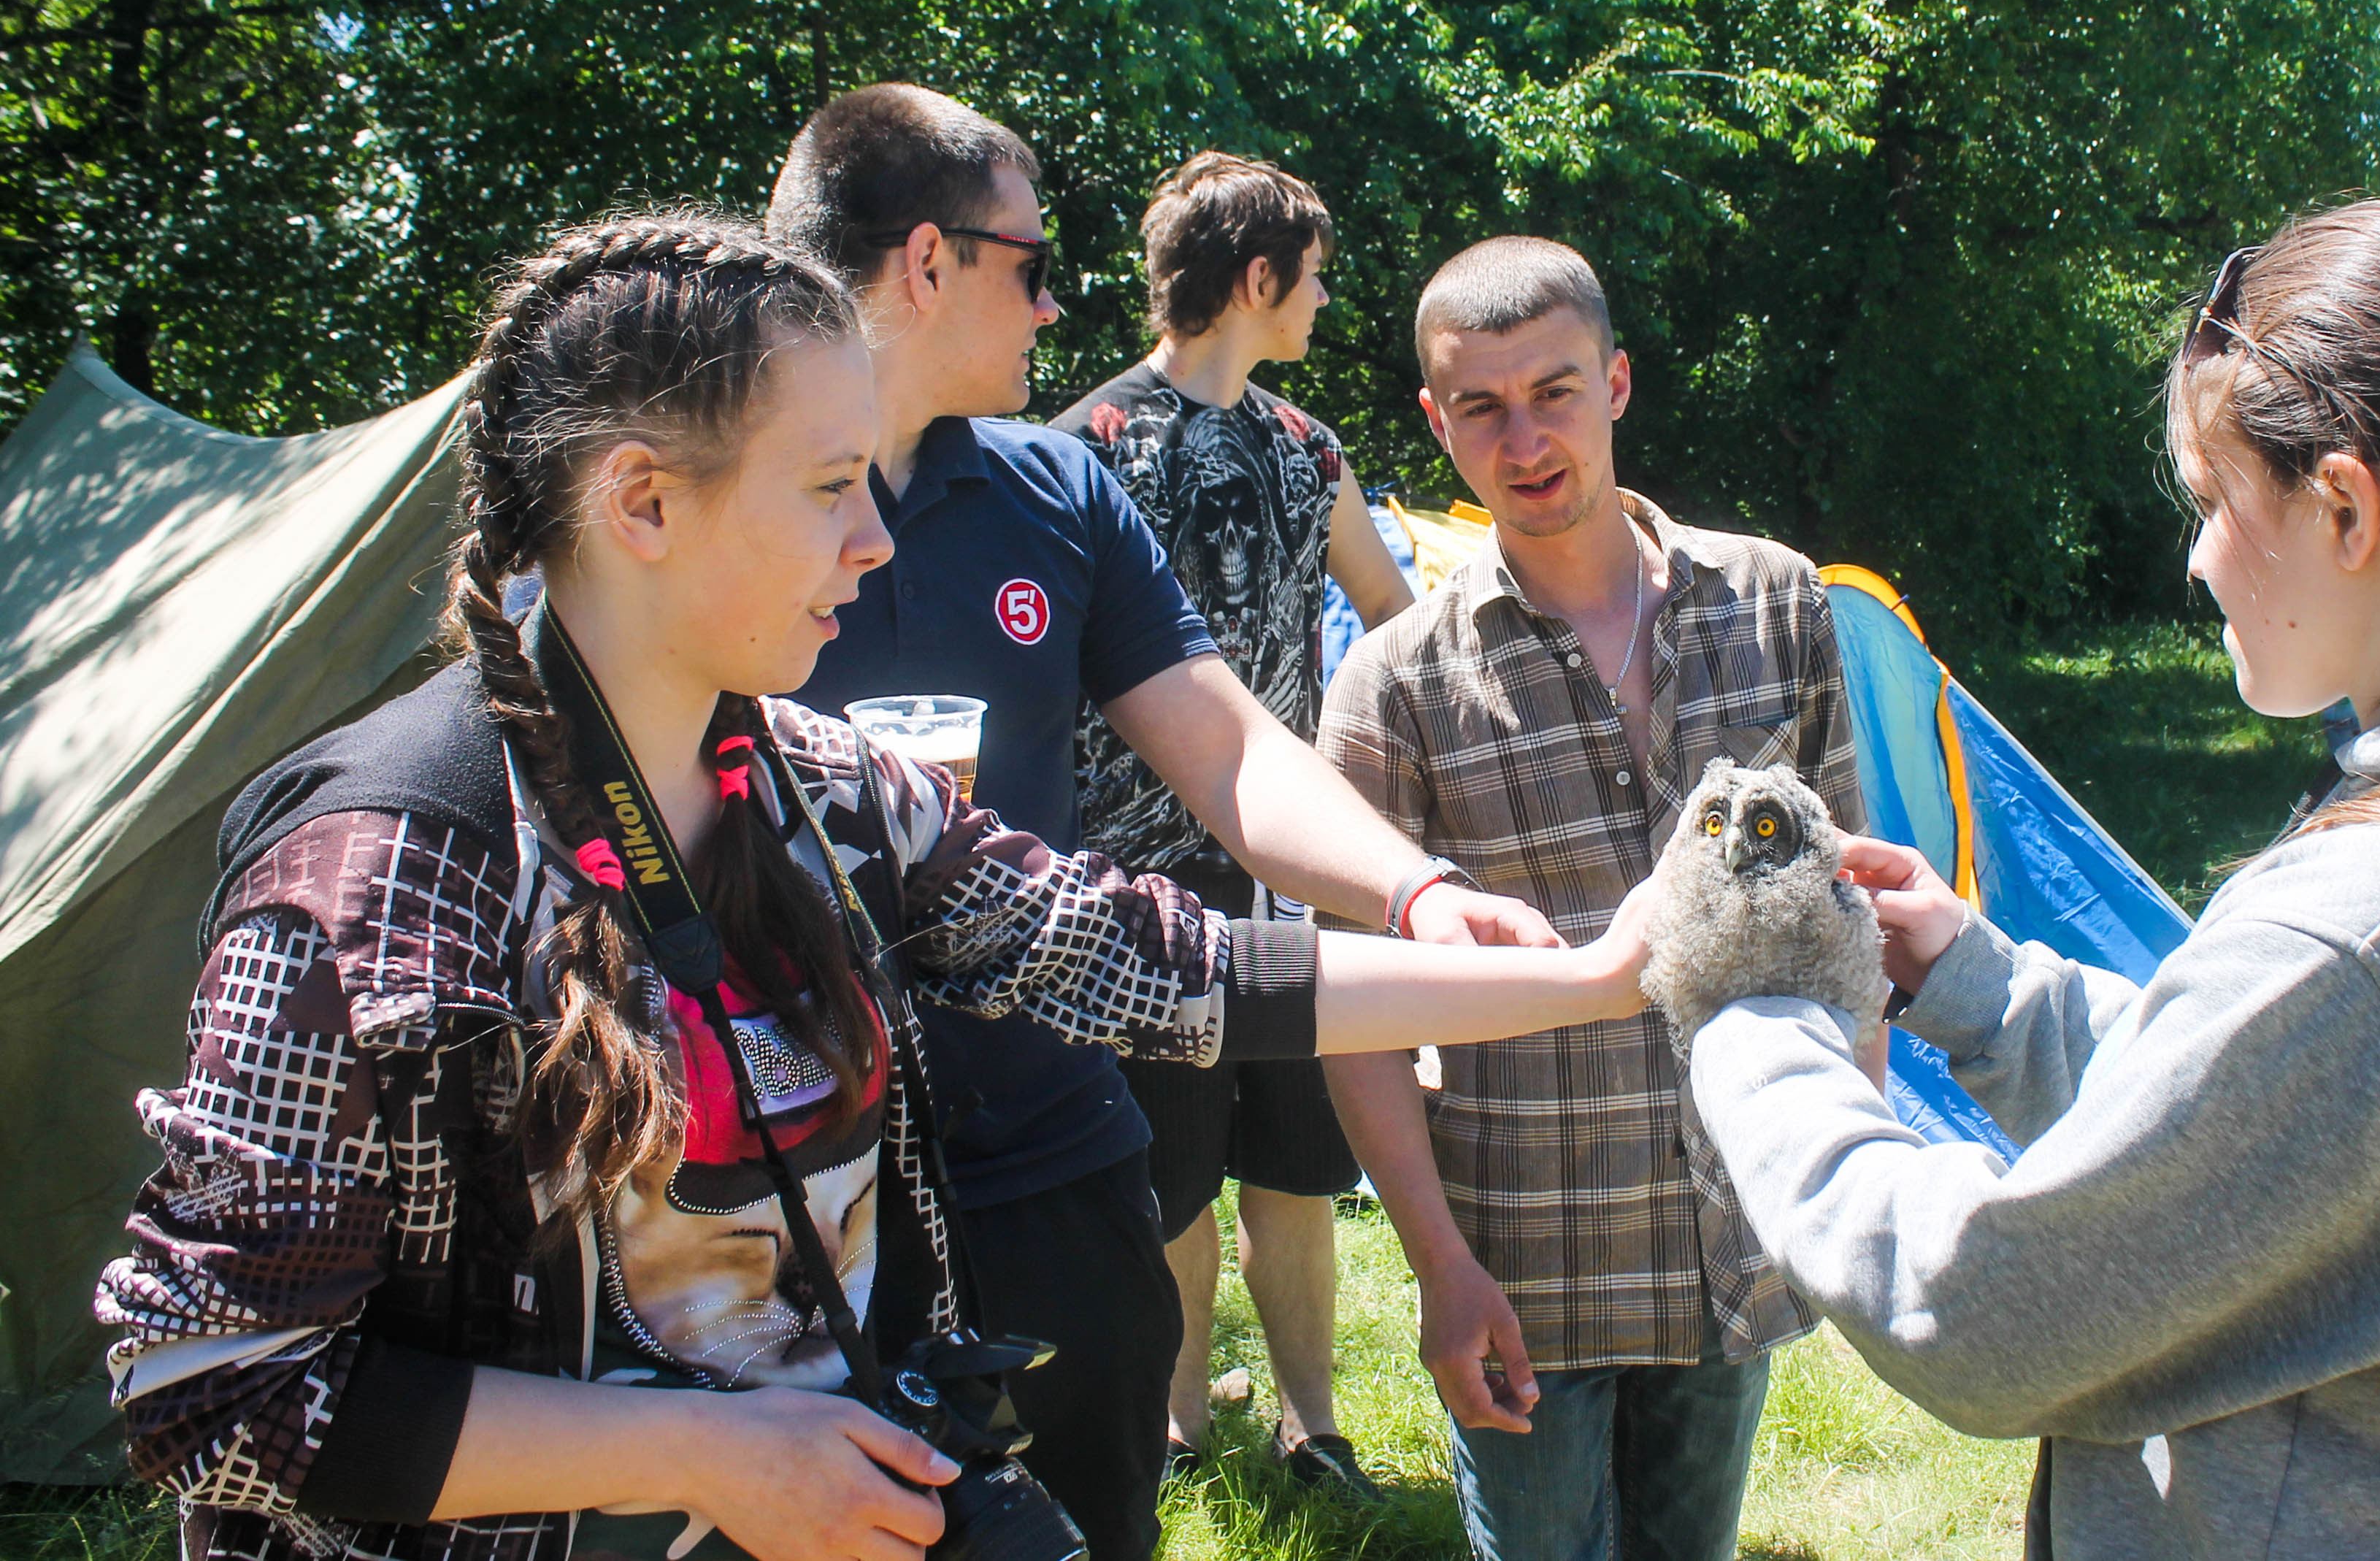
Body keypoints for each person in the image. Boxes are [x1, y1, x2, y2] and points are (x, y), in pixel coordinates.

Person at [95, 214, 1650, 1561]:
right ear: (641, 504)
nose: (874, 537)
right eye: (832, 482)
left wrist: (1592, 974)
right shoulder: (380, 871)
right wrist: (708, 1457)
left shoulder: (812, 783)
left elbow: (1147, 963)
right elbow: (213, 1385)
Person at [1680, 196, 2380, 1558]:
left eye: (2213, 500)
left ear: (2343, 505)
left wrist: (1756, 1016)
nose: (2195, 552)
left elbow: (1973, 1310)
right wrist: (1977, 986)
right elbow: (2284, 1128)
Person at [764, 85, 1556, 1557]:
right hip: (787, 1168)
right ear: (928, 264)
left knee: (1089, 1524)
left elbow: (1232, 752)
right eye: (1028, 260)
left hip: (1050, 1145)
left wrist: (1415, 893)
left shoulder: (1054, 487)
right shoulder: (719, 491)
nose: (1057, 302)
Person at [1319, 236, 1862, 1561]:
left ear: (1615, 383)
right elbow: (1355, 1015)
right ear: (1432, 421)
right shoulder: (1393, 687)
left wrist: (1845, 1171)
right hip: (1526, 1257)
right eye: (1481, 407)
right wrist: (1439, 1268)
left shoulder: (1776, 603)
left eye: (1553, 391)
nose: (1524, 440)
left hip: (1732, 1233)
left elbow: (1843, 912)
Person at [1055, 153, 1411, 1494]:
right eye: (1311, 278)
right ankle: (1179, 1424)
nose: (1321, 303)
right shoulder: (1075, 455)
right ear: (1257, 280)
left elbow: (1391, 620)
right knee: (1172, 1179)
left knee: (1295, 1163)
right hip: (1133, 887)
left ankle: (1311, 1432)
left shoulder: (1303, 447)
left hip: (1287, 873)